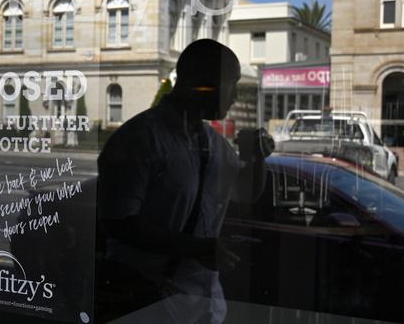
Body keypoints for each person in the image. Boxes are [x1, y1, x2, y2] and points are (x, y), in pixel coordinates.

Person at [96, 39, 273, 323]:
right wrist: (196, 249)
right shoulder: (139, 139)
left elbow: (245, 191)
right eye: (232, 82)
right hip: (147, 305)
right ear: (202, 81)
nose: (236, 95)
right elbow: (119, 222)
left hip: (204, 305)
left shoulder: (212, 143)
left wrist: (257, 156)